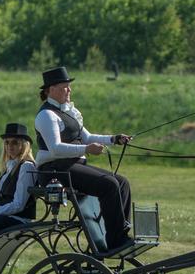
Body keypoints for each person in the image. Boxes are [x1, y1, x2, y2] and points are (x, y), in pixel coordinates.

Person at [33, 66, 134, 250]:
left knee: (122, 183)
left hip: (72, 165)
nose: (69, 90)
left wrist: (114, 139)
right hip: (55, 170)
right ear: (51, 89)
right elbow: (55, 149)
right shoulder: (46, 115)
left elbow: (87, 136)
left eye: (69, 86)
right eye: (65, 87)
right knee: (109, 185)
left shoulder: (68, 111)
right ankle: (115, 241)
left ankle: (121, 231)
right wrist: (87, 149)